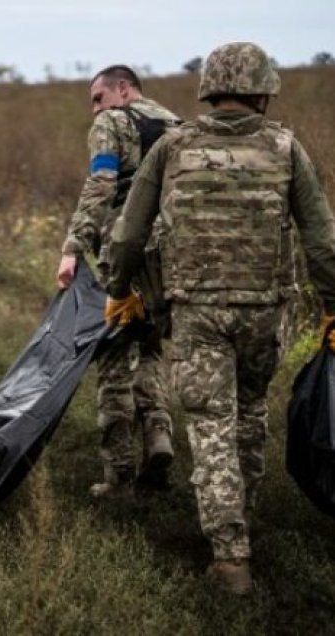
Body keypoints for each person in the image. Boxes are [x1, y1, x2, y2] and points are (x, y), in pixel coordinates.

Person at [105, 42, 335, 595]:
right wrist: (333, 306)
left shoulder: (173, 146)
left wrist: (118, 289)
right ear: (262, 90)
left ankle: (231, 556)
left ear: (209, 88)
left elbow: (130, 234)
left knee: (211, 425)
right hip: (265, 310)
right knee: (250, 415)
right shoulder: (285, 148)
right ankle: (243, 521)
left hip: (197, 311)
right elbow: (322, 240)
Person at [55, 65, 180, 497]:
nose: (95, 110)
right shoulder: (176, 125)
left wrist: (73, 247)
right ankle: (159, 435)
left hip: (126, 253)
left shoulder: (112, 122)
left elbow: (101, 184)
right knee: (149, 347)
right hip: (173, 260)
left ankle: (119, 477)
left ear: (123, 90)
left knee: (112, 357)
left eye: (97, 98)